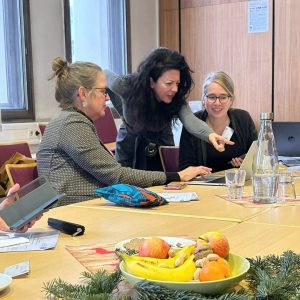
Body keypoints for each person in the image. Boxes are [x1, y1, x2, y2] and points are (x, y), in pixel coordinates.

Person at [36, 58, 212, 206]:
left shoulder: (72, 121)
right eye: (103, 91)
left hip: (85, 208)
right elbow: (117, 175)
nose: (107, 97)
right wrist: (177, 176)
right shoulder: (72, 124)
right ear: (82, 93)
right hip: (74, 213)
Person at [105, 47, 233, 171]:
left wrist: (210, 135)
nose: (175, 89)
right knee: (126, 188)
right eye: (168, 83)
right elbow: (104, 75)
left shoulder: (175, 99)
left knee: (166, 185)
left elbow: (190, 120)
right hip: (130, 143)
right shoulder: (127, 87)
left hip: (161, 142)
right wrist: (122, 111)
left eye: (177, 83)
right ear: (151, 81)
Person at [179, 71, 257, 172]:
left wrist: (244, 162)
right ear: (203, 99)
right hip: (203, 185)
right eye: (211, 97)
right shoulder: (192, 123)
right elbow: (184, 168)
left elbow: (258, 155)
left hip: (237, 183)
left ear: (231, 99)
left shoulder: (243, 118)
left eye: (223, 97)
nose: (217, 103)